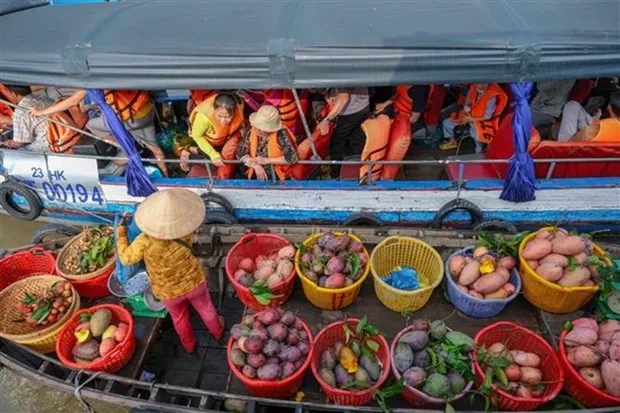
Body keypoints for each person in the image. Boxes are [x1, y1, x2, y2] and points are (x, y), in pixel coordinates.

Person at [116, 189, 225, 353]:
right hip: (193, 281)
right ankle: (219, 334)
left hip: (167, 291)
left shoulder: (144, 241)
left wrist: (121, 232)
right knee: (206, 308)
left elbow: (125, 258)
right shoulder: (185, 229)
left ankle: (189, 346)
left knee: (180, 318)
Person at [28, 89, 168, 176]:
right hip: (146, 111)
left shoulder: (92, 81)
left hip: (129, 119)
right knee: (156, 150)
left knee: (92, 125)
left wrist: (41, 112)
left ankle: (127, 148)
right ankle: (166, 179)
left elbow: (72, 101)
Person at [181, 93, 245, 179]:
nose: (223, 121)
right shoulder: (203, 117)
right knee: (214, 165)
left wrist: (242, 128)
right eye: (219, 116)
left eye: (227, 117)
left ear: (234, 112)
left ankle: (195, 150)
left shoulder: (239, 105)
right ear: (214, 110)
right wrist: (213, 155)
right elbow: (197, 136)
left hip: (224, 138)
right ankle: (189, 152)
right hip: (207, 142)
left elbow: (241, 121)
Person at [379, 85, 430, 179]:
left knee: (396, 147)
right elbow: (397, 95)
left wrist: (398, 119)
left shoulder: (417, 89)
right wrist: (385, 104)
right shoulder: (402, 81)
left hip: (407, 121)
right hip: (397, 115)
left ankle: (387, 176)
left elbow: (414, 119)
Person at [316, 88, 370, 178]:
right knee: (357, 139)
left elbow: (344, 97)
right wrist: (331, 95)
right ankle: (358, 172)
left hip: (351, 111)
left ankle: (335, 174)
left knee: (336, 142)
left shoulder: (341, 74)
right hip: (363, 104)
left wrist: (326, 120)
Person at [439, 83, 507, 153]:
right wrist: (466, 115)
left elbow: (487, 116)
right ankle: (452, 141)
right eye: (479, 83)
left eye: (484, 83)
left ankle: (479, 149)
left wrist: (471, 119)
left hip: (481, 120)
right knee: (447, 123)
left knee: (476, 134)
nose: (482, 85)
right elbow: (467, 103)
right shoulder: (472, 89)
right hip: (469, 115)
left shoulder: (492, 96)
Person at [237, 105, 298, 181]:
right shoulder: (251, 129)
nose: (258, 130)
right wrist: (255, 165)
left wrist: (266, 160)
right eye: (257, 126)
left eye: (262, 128)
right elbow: (240, 152)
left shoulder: (280, 134)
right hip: (254, 172)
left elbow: (292, 158)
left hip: (278, 175)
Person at [0, 85, 53, 152]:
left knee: (14, 151)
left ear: (9, 92)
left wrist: (8, 143)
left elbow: (19, 143)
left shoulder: (21, 110)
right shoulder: (41, 97)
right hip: (61, 135)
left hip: (49, 145)